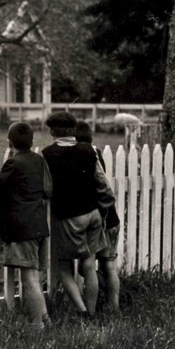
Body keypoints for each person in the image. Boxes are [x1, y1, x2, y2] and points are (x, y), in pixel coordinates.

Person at [40, 111, 115, 318]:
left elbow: (46, 189)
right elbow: (104, 187)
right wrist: (103, 210)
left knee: (64, 267)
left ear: (53, 131)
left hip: (69, 217)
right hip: (93, 214)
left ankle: (82, 311)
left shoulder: (48, 153)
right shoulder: (89, 151)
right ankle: (91, 312)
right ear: (73, 130)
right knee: (89, 264)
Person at [0, 121, 53, 331]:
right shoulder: (39, 161)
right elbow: (48, 191)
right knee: (35, 277)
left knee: (29, 278)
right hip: (40, 226)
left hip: (23, 229)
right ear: (32, 142)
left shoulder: (13, 163)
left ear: (9, 142)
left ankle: (37, 325)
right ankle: (45, 319)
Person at [75, 120, 121, 313]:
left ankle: (93, 306)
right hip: (112, 218)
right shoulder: (96, 154)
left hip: (98, 218)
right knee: (109, 265)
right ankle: (113, 305)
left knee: (85, 265)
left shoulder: (81, 156)